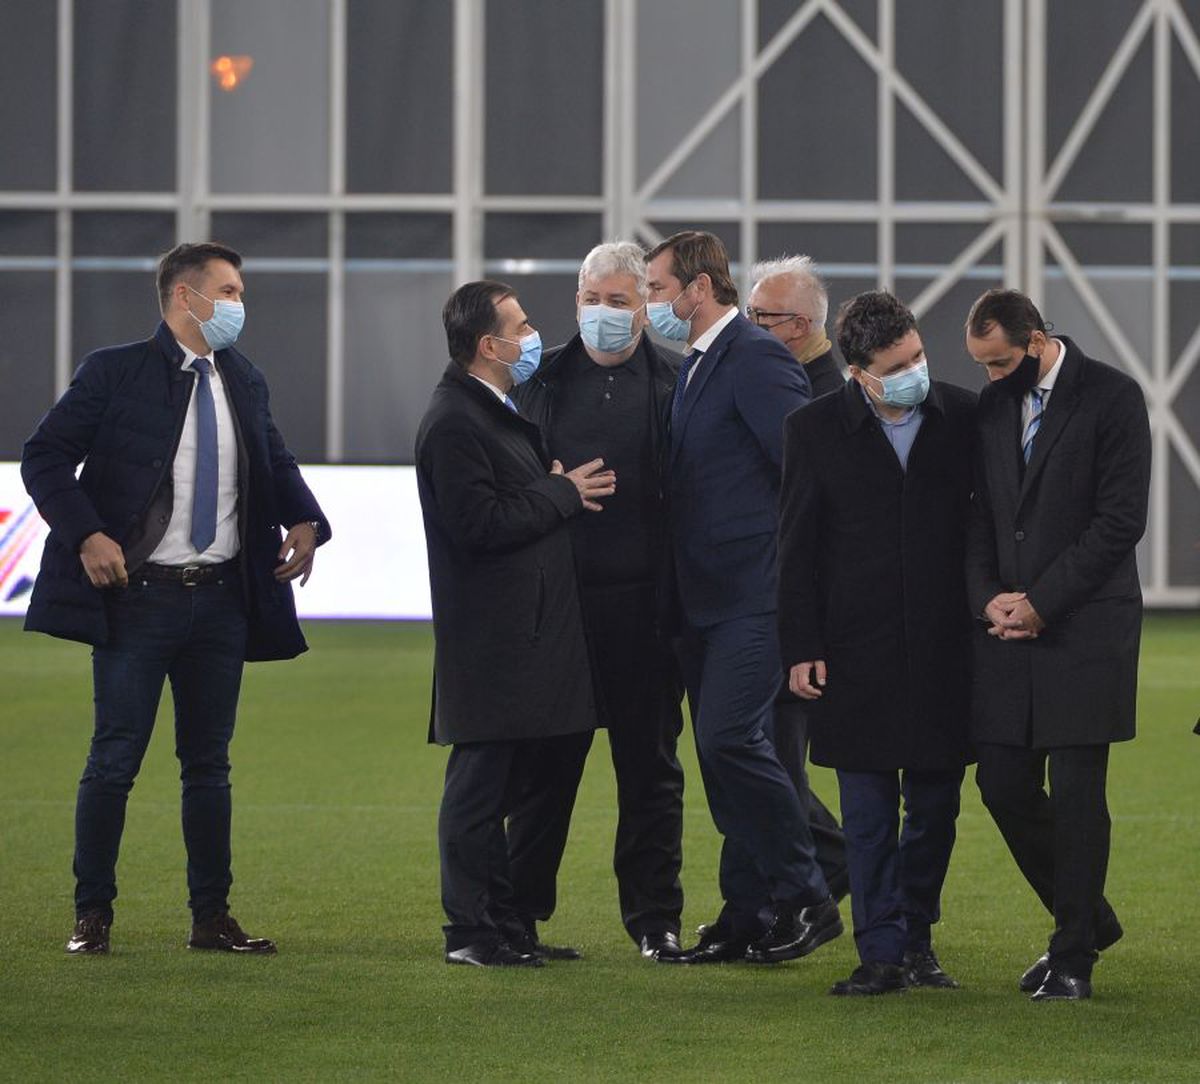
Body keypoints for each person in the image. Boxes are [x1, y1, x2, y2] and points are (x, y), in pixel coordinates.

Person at [21, 241, 331, 957]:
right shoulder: (114, 371)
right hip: (137, 599)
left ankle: (211, 918)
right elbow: (43, 456)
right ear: (183, 298)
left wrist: (309, 520)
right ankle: (92, 915)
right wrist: (87, 535)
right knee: (114, 760)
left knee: (209, 765)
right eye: (227, 291)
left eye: (240, 292)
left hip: (221, 600)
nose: (238, 305)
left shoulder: (244, 380)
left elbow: (276, 460)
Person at [644, 230, 840, 966]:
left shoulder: (755, 358)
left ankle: (809, 893)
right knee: (724, 760)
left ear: (698, 290)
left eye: (659, 290)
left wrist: (803, 593)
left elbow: (804, 476)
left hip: (754, 593)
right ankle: (749, 914)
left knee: (730, 741)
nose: (652, 305)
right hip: (702, 598)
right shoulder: (700, 364)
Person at [415, 280, 616, 968]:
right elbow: (481, 526)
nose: (533, 335)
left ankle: (508, 926)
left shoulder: (492, 413)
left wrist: (547, 489)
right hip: (494, 640)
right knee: (479, 790)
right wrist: (559, 491)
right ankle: (468, 932)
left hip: (532, 636)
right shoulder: (454, 422)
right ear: (487, 345)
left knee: (525, 785)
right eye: (521, 325)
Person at [779, 290, 974, 996]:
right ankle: (881, 953)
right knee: (866, 817)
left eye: (918, 355)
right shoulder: (812, 430)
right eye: (898, 364)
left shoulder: (965, 419)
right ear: (859, 371)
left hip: (945, 650)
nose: (915, 370)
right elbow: (794, 549)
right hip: (852, 653)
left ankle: (917, 938)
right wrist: (799, 644)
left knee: (934, 811)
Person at [964, 289, 1151, 1001]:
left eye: (1001, 361)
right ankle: (1089, 917)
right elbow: (977, 516)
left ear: (1037, 341)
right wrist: (988, 598)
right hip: (1006, 628)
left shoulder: (1113, 398)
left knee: (1077, 795)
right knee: (1000, 784)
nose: (991, 377)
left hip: (1084, 630)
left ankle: (1072, 957)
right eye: (980, 365)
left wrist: (1042, 603)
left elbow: (1119, 521)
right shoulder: (990, 407)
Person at [512, 242, 687, 960]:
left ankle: (655, 920)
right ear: (574, 300)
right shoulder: (539, 381)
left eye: (620, 301)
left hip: (647, 612)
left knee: (650, 772)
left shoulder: (679, 385)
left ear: (646, 307)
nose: (605, 314)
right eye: (594, 299)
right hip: (559, 610)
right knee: (542, 771)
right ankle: (518, 917)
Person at [746, 254, 848, 902]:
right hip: (781, 598)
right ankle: (784, 890)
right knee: (768, 757)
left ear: (805, 323)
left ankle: (833, 869)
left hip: (803, 606)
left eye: (764, 316)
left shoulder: (823, 398)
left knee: (769, 760)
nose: (751, 325)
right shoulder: (792, 381)